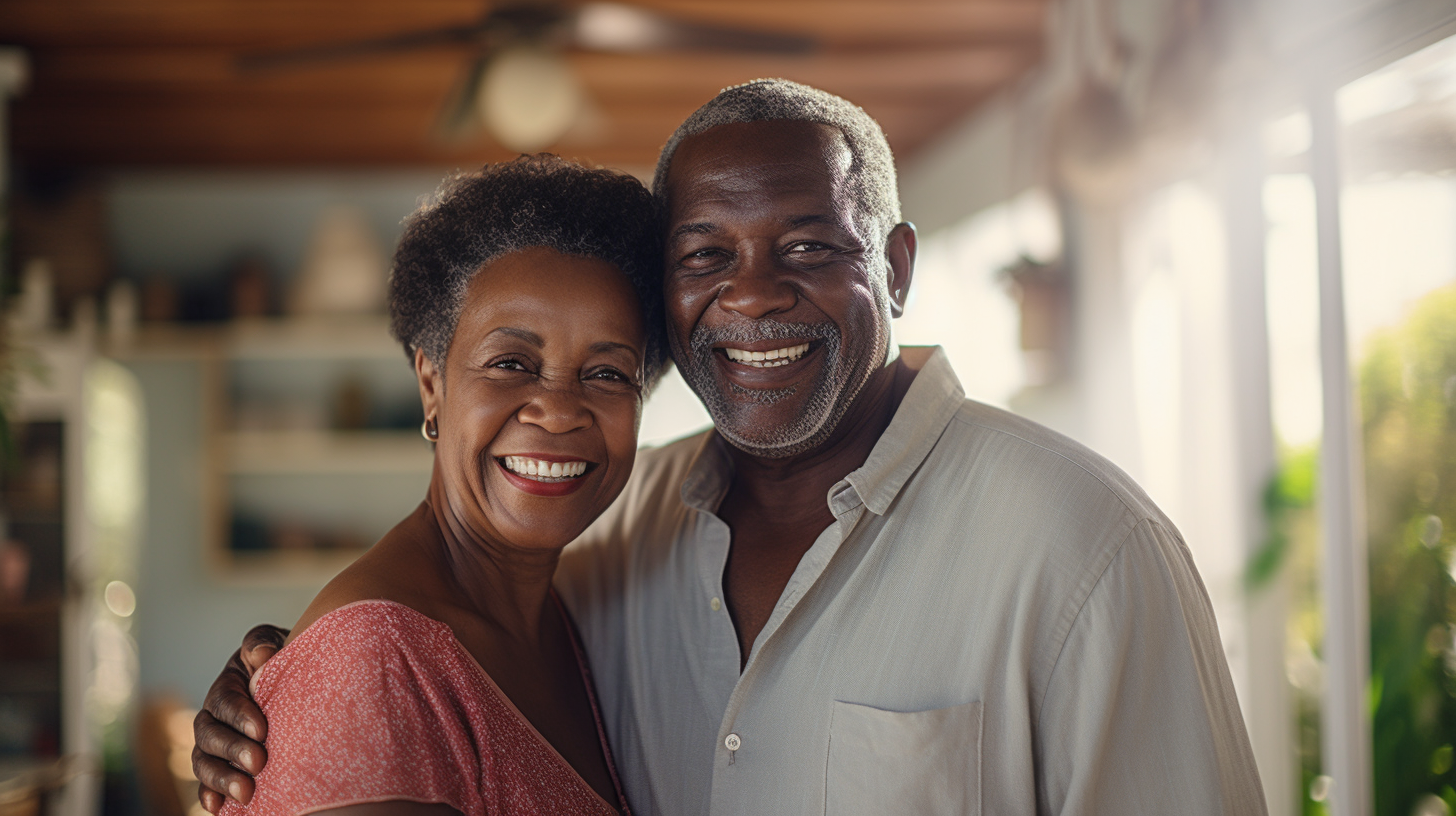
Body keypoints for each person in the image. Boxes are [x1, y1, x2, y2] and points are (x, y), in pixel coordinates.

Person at [195, 80, 1267, 815]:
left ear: (894, 266)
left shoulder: (1081, 546)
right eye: (706, 252)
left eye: (808, 244)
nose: (752, 293)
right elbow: (405, 670)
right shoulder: (618, 546)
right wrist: (303, 681)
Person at [204, 155, 672, 816]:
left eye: (607, 373)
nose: (560, 410)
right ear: (431, 383)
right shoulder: (373, 662)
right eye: (512, 362)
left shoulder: (570, 619)